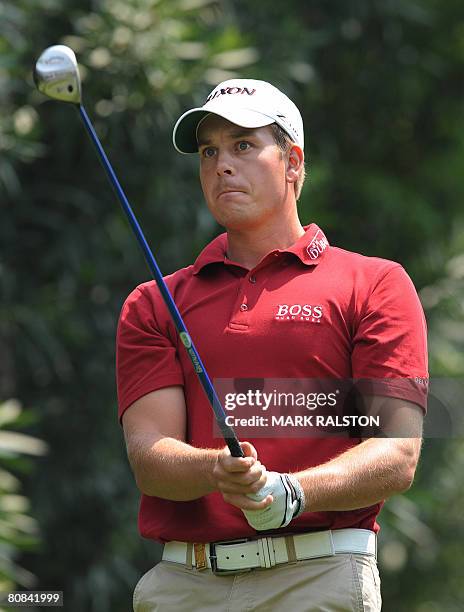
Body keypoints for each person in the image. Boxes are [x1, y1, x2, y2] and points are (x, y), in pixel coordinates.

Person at [116, 79, 428, 611]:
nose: (221, 165)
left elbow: (397, 453)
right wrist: (218, 470)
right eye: (209, 151)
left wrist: (291, 493)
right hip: (184, 585)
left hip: (319, 577)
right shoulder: (153, 302)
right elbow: (149, 459)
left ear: (293, 163)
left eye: (243, 145)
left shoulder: (375, 283)